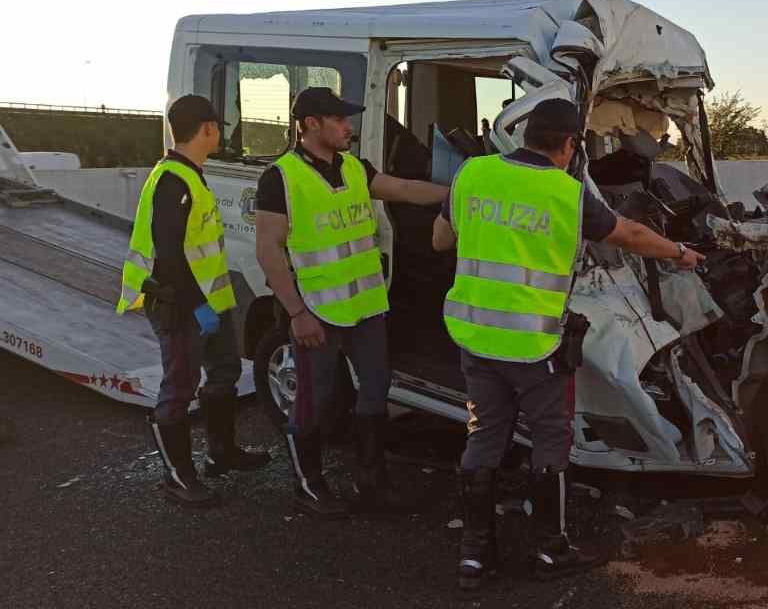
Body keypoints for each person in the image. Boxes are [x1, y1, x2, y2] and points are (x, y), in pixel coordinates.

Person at [431, 98, 704, 588]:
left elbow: (439, 241)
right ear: (570, 144)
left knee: (485, 437)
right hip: (535, 346)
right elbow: (632, 234)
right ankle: (549, 550)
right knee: (551, 441)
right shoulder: (567, 194)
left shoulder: (471, 173)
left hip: (475, 336)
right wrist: (681, 253)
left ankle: (473, 555)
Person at [254, 87, 448, 518]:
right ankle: (308, 485)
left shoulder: (355, 168)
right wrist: (297, 313)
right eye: (339, 120)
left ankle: (371, 481)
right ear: (310, 125)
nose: (349, 127)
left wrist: (459, 192)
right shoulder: (281, 177)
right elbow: (268, 250)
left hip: (365, 307)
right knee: (316, 401)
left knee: (376, 391)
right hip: (318, 311)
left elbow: (402, 189)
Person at [117, 94, 270, 507]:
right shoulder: (173, 180)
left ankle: (222, 453)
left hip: (206, 300)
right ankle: (178, 478)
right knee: (179, 387)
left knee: (224, 371)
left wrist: (212, 304)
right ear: (206, 128)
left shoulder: (189, 174)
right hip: (177, 304)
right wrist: (198, 308)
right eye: (218, 126)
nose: (220, 132)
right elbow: (169, 256)